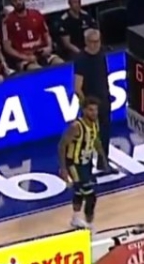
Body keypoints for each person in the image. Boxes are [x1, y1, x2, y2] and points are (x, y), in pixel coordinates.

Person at [58, 96, 107, 230]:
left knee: (79, 193)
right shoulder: (76, 126)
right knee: (90, 196)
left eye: (95, 110)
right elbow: (62, 145)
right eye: (90, 110)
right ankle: (90, 227)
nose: (94, 113)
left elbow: (96, 140)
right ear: (84, 110)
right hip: (74, 164)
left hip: (86, 163)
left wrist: (103, 158)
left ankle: (75, 219)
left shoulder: (95, 123)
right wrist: (63, 169)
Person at [73, 29, 114, 172]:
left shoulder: (102, 54)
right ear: (86, 42)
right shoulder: (81, 59)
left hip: (104, 100)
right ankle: (86, 169)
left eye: (98, 41)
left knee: (105, 134)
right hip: (91, 104)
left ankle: (104, 163)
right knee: (88, 137)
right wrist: (86, 106)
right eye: (92, 42)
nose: (95, 44)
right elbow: (77, 87)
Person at [1, 0, 59, 71]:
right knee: (37, 70)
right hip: (24, 58)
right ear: (11, 3)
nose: (18, 2)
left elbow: (46, 34)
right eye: (15, 1)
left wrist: (49, 47)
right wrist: (25, 57)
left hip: (41, 52)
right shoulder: (8, 21)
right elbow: (7, 48)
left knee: (59, 63)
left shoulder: (36, 14)